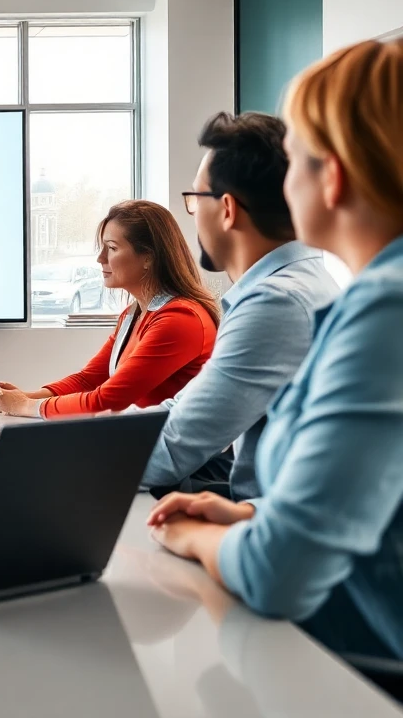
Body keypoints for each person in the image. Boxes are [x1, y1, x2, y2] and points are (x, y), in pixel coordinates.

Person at [148, 38, 403, 666]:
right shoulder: (367, 292)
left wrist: (193, 536)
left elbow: (278, 572)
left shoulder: (382, 309)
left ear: (333, 177)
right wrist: (255, 512)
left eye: (295, 162)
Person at [0, 116, 339, 500]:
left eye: (194, 199)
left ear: (227, 209)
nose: (193, 214)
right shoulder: (293, 288)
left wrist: (26, 449)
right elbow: (176, 411)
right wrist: (27, 436)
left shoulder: (273, 305)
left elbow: (172, 444)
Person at [0, 200, 219, 420]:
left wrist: (23, 406)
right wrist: (23, 397)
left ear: (148, 257)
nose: (100, 259)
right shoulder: (133, 313)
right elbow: (89, 380)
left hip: (175, 456)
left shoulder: (180, 319)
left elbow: (107, 401)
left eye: (112, 248)